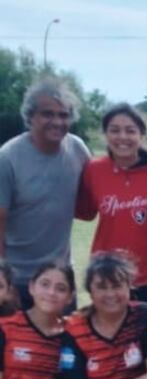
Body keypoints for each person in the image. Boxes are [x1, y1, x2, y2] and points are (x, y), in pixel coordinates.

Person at [75, 104, 147, 325]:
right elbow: (85, 211)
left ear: (141, 134)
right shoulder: (94, 170)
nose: (123, 137)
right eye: (114, 130)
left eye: (130, 130)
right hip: (108, 277)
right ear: (105, 134)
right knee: (111, 345)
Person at [0, 78, 90, 303]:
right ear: (30, 117)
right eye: (47, 114)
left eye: (63, 115)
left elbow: (90, 208)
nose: (57, 121)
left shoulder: (77, 149)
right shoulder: (8, 158)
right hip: (18, 279)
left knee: (64, 338)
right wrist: (5, 281)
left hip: (60, 278)